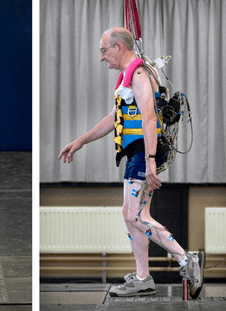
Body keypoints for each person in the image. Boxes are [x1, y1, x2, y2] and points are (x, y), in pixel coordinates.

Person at [59, 27, 202, 298]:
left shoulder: (138, 74)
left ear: (118, 47)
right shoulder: (124, 78)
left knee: (132, 215)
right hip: (134, 154)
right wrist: (79, 142)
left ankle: (186, 260)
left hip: (143, 153)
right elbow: (114, 118)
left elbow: (148, 116)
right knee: (138, 216)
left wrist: (149, 161)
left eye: (104, 50)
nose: (101, 58)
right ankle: (143, 277)